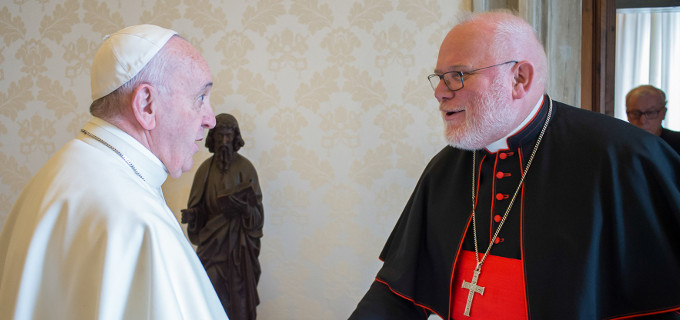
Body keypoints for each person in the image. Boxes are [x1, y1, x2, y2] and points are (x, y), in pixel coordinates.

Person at [349, 11, 680, 320]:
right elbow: (397, 291)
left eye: (457, 76)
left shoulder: (623, 157)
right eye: (439, 78)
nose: (439, 92)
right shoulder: (445, 169)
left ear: (519, 78)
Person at [0, 24, 228, 319]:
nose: (210, 119)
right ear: (146, 105)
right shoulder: (140, 222)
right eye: (200, 98)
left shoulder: (55, 174)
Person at [182, 113, 264, 320]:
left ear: (235, 138)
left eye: (228, 137)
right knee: (208, 300)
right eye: (220, 137)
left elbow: (257, 217)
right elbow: (198, 208)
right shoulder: (204, 171)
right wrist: (193, 216)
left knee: (240, 306)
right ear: (213, 139)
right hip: (211, 251)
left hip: (239, 252)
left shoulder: (246, 169)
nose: (224, 142)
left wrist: (244, 209)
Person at [626, 85, 680, 154]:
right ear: (627, 114)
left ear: (663, 113)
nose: (642, 121)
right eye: (636, 113)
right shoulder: (615, 145)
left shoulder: (677, 142)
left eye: (650, 112)